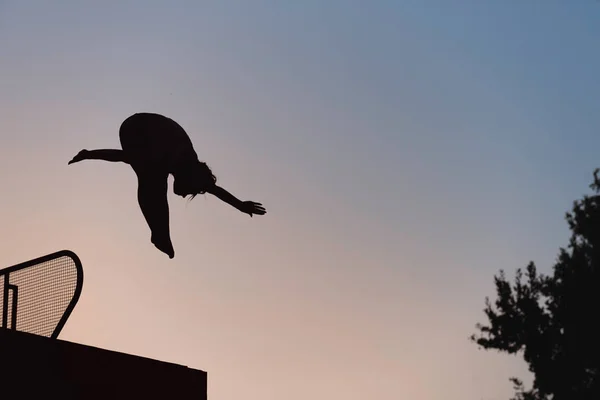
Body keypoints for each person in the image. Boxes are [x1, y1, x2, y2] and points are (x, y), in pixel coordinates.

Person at [68, 112, 266, 259]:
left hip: (154, 129)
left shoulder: (189, 164)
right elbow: (123, 157)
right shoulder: (171, 158)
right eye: (186, 191)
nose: (181, 195)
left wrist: (241, 205)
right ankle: (160, 235)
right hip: (136, 127)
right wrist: (89, 154)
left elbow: (216, 190)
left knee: (152, 176)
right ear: (188, 179)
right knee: (151, 178)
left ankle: (161, 234)